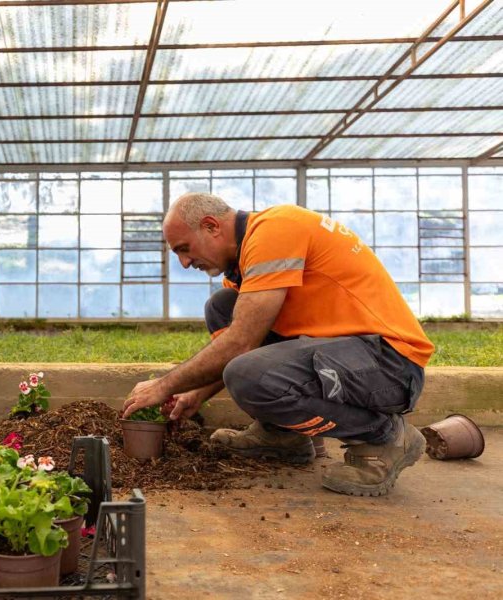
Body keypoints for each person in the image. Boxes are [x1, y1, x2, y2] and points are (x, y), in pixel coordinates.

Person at [122, 193, 433, 497]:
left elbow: (241, 343)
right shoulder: (245, 264)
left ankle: (384, 437)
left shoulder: (276, 229)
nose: (184, 262)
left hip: (389, 364)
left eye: (184, 249)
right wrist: (196, 394)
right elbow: (245, 340)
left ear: (211, 226)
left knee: (247, 374)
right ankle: (282, 435)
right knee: (223, 307)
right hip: (350, 356)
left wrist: (162, 386)